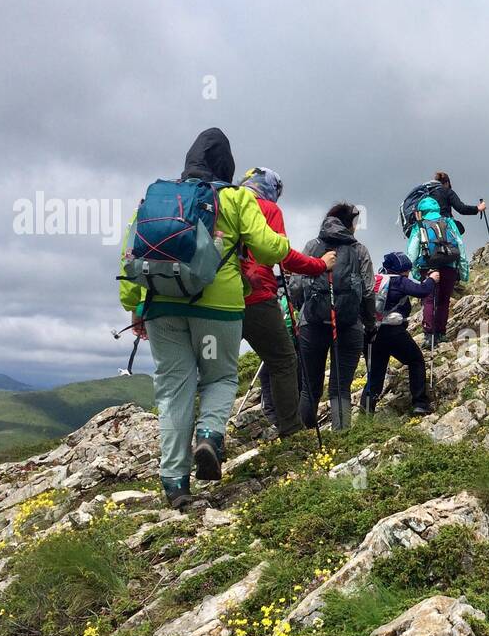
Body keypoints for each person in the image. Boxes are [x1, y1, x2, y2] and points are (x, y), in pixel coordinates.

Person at [118, 129, 323, 508]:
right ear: (225, 165)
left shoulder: (156, 200)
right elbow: (268, 247)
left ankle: (175, 484)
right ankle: (210, 436)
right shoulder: (234, 198)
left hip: (162, 307)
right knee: (221, 375)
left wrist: (136, 309)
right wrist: (280, 246)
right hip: (219, 307)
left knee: (174, 388)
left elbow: (130, 259)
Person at [237, 166, 336, 437]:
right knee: (283, 360)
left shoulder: (222, 203)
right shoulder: (268, 209)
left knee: (218, 373)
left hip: (215, 299)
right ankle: (291, 432)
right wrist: (319, 264)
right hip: (256, 295)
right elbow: (281, 254)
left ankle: (209, 440)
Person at [295, 202, 376, 431]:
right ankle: (341, 436)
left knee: (309, 387)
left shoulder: (313, 245)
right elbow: (369, 292)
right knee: (340, 387)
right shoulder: (359, 250)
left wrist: (303, 308)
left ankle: (306, 439)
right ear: (349, 224)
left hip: (312, 323)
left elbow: (296, 285)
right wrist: (369, 324)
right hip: (349, 325)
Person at [362, 252, 438, 415]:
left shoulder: (375, 280)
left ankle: (366, 413)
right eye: (407, 270)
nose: (409, 273)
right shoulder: (399, 281)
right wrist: (432, 279)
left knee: (375, 374)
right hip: (393, 331)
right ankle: (420, 404)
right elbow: (422, 291)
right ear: (402, 269)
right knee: (415, 360)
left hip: (370, 333)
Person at [407, 194, 468, 348]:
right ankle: (441, 333)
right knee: (443, 301)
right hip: (449, 265)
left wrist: (414, 271)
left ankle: (429, 335)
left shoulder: (419, 226)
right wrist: (463, 269)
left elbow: (412, 251)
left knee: (428, 300)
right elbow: (460, 245)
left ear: (421, 211)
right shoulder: (448, 222)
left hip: (428, 267)